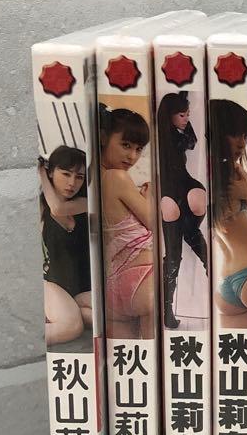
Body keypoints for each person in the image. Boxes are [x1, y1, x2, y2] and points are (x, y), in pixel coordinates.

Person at [99, 106, 155, 339]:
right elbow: (154, 222)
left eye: (138, 149)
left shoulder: (97, 179)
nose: (132, 156)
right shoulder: (117, 177)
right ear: (103, 137)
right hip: (144, 276)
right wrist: (148, 197)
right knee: (153, 357)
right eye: (125, 145)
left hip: (113, 285)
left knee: (127, 356)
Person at [157, 91, 208, 328]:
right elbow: (190, 141)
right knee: (179, 249)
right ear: (169, 115)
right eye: (182, 114)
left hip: (181, 187)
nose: (187, 119)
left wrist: (182, 105)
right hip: (172, 191)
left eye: (188, 114)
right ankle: (167, 310)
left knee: (178, 250)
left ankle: (168, 312)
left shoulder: (176, 135)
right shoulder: (163, 138)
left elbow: (192, 141)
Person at [210, 99, 247, 329]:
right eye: (234, 134)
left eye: (245, 136)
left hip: (226, 285)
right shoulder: (226, 172)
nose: (242, 143)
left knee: (236, 348)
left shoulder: (216, 172)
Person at [38, 146, 91, 346]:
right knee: (71, 326)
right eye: (66, 174)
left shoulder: (86, 203)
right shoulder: (39, 206)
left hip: (81, 288)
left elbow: (59, 208)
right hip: (53, 284)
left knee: (108, 319)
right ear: (51, 172)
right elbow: (54, 208)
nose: (72, 183)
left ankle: (66, 312)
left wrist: (42, 172)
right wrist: (42, 173)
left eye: (79, 177)